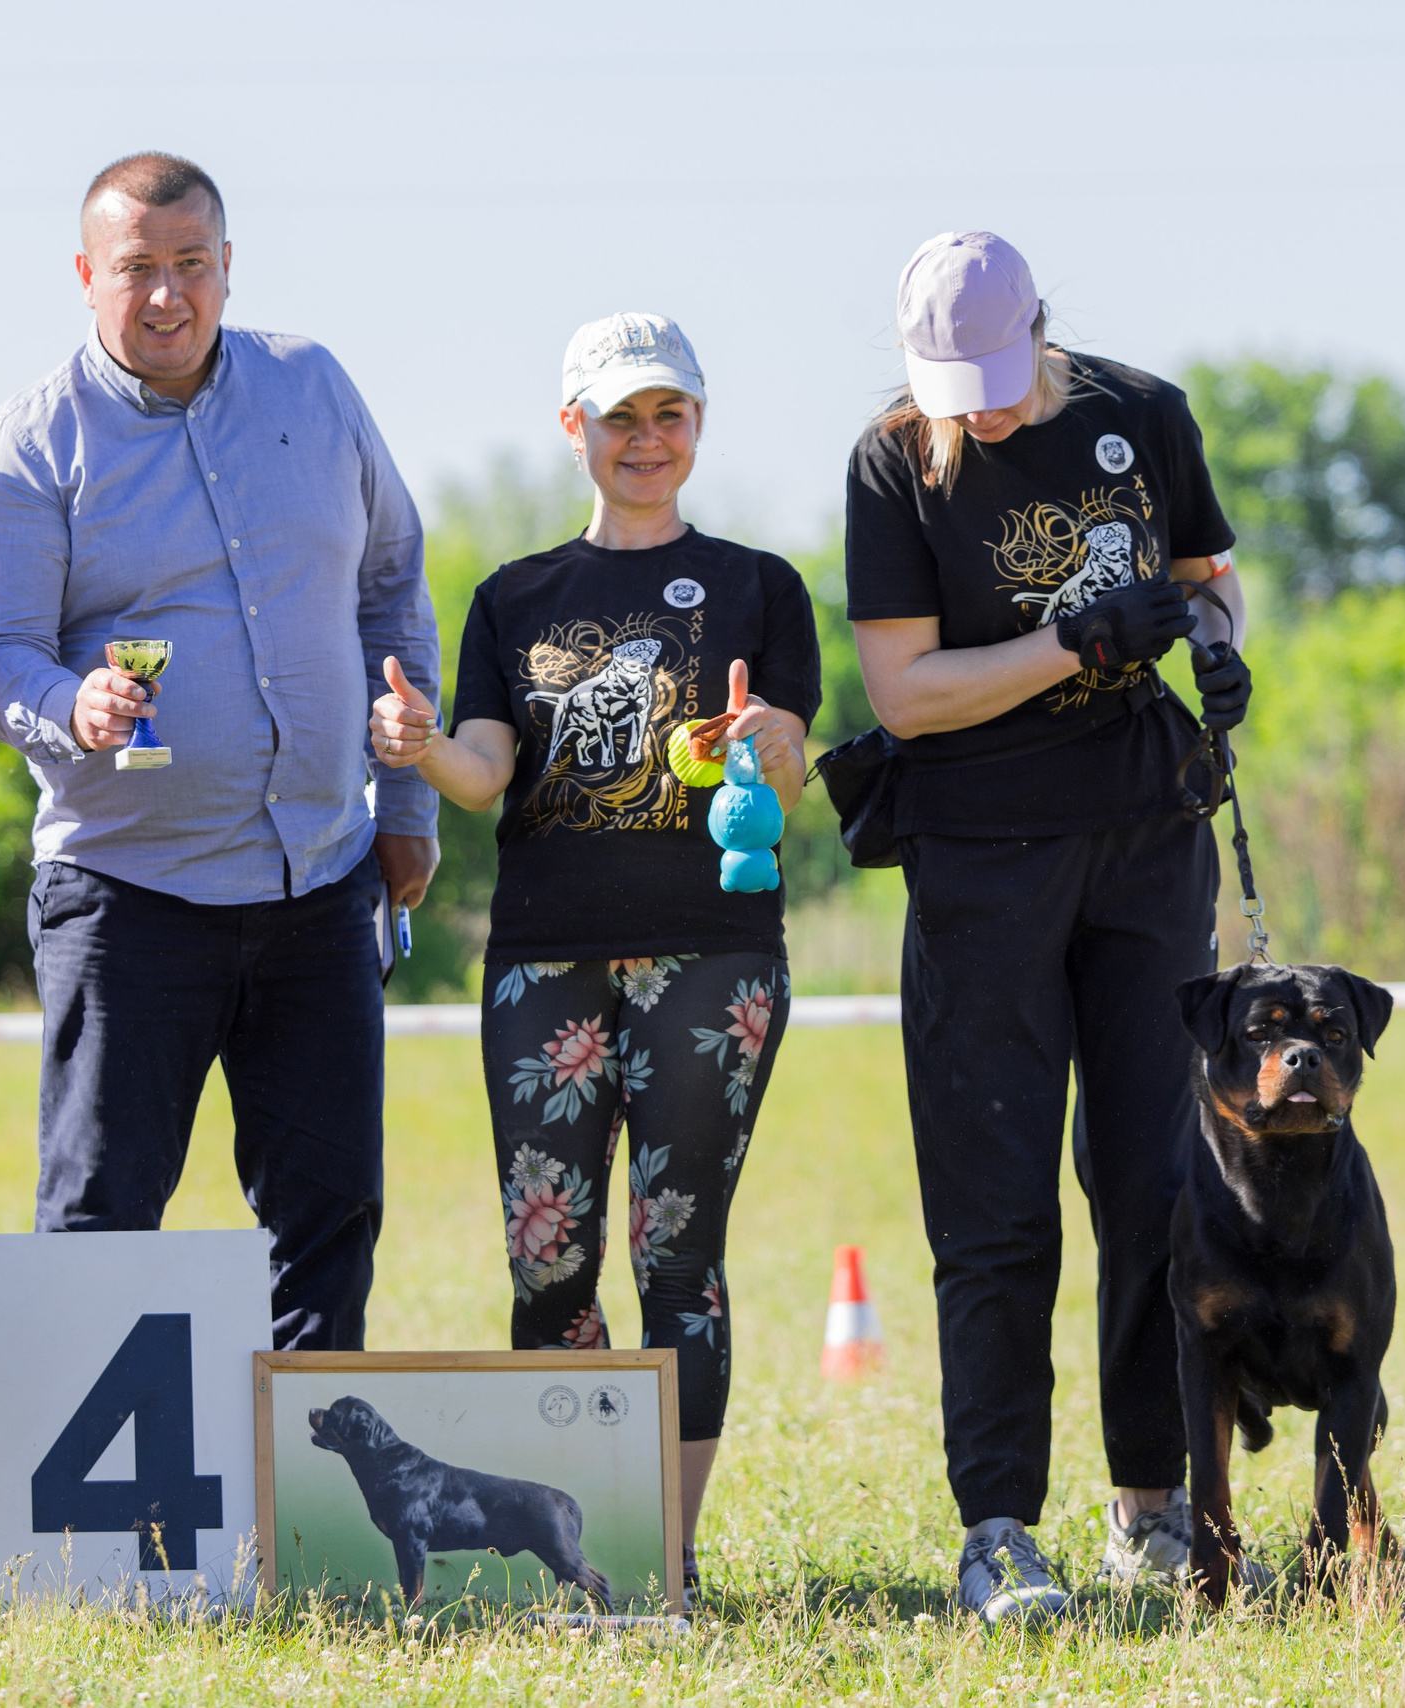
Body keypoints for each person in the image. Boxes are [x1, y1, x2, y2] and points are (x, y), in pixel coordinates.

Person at [0, 153, 439, 1351]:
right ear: (85, 275)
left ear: (228, 266)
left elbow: (391, 586)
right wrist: (70, 704)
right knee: (102, 1219)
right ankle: (92, 1483)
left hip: (320, 877)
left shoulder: (313, 385)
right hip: (128, 896)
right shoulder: (24, 450)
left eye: (191, 265)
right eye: (136, 269)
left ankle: (305, 1472)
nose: (167, 295)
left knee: (329, 1215)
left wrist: (406, 808)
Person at [369, 312, 819, 1595]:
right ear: (573, 428)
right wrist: (417, 744)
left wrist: (764, 741)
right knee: (547, 1260)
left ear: (697, 426)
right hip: (545, 963)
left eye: (669, 414)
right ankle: (577, 1539)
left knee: (677, 1256)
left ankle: (662, 1553)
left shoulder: (760, 583)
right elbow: (484, 770)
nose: (646, 439)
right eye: (620, 417)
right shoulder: (514, 596)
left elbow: (790, 759)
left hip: (712, 956)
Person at [843, 232, 1253, 1623]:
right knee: (996, 1206)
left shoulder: (1144, 412)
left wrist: (1215, 644)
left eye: (1000, 382)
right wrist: (1074, 640)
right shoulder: (893, 462)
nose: (984, 413)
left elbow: (1208, 574)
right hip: (978, 859)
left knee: (1155, 1186)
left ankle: (1152, 1503)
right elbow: (905, 692)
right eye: (956, 390)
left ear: (1041, 332)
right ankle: (999, 1528)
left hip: (1146, 838)